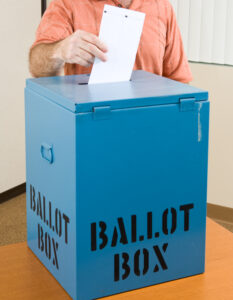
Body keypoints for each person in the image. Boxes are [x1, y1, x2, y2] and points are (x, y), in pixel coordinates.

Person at [29, 0, 192, 83]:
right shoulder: (68, 4)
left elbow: (179, 81)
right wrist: (59, 51)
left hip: (149, 125)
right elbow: (37, 67)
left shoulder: (161, 7)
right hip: (92, 124)